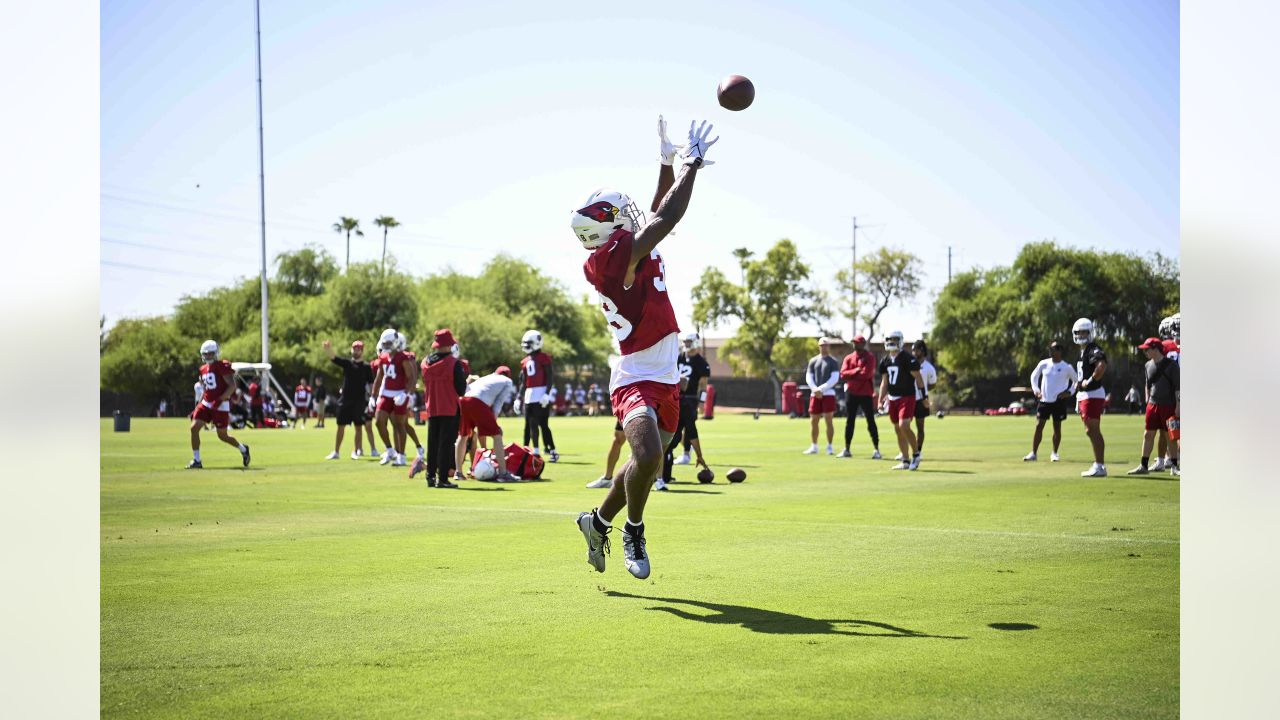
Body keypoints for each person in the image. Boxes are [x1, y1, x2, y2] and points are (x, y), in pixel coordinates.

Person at [573, 115, 718, 580]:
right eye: (622, 216)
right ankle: (633, 529)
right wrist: (692, 166)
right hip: (636, 376)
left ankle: (595, 522)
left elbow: (657, 212)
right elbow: (668, 215)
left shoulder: (623, 249)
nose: (633, 218)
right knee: (652, 458)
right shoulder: (614, 258)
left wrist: (666, 161)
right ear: (610, 228)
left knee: (645, 461)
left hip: (665, 375)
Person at [414, 329, 466, 487]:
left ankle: (430, 477)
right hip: (449, 407)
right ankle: (442, 479)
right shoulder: (453, 363)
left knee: (433, 443)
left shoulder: (425, 363)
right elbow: (461, 389)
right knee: (446, 444)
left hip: (432, 408)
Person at [187, 340, 250, 469]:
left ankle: (243, 449)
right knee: (194, 428)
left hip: (221, 405)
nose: (209, 356)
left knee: (223, 436)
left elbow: (232, 386)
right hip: (206, 403)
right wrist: (197, 407)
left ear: (216, 353)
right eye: (206, 354)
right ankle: (197, 460)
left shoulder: (222, 366)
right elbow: (206, 390)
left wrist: (220, 400)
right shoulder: (203, 369)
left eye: (211, 354)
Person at [453, 366, 520, 483]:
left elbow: (468, 389)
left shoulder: (487, 377)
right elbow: (498, 404)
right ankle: (503, 473)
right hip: (477, 402)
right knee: (497, 435)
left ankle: (458, 472)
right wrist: (494, 424)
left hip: (463, 399)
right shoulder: (507, 381)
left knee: (462, 436)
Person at [1127, 338, 1181, 476]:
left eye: (1147, 349)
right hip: (1153, 405)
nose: (1145, 352)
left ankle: (1174, 466)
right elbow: (1148, 383)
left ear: (1155, 349)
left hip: (1169, 405)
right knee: (1148, 434)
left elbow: (1178, 388)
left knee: (1171, 436)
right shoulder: (1147, 365)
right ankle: (1143, 465)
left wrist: (1178, 406)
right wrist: (1147, 399)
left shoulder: (1172, 366)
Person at [664, 331, 711, 487]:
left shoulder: (701, 363)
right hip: (675, 400)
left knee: (676, 436)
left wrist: (702, 402)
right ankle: (662, 475)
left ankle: (664, 475)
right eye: (686, 341)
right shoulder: (678, 357)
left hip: (689, 400)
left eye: (690, 341)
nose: (687, 344)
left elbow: (703, 386)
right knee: (675, 436)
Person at [876, 330, 926, 470]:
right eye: (889, 339)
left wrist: (924, 397)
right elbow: (884, 382)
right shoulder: (885, 361)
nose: (892, 342)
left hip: (907, 396)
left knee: (904, 425)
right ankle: (905, 460)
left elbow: (918, 378)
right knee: (898, 429)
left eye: (895, 339)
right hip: (892, 398)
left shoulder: (907, 359)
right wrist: (880, 400)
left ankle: (916, 454)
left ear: (901, 341)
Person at [370, 327, 416, 466]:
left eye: (389, 344)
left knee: (399, 425)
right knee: (379, 421)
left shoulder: (403, 358)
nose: (387, 347)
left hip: (400, 393)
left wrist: (406, 393)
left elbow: (412, 378)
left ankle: (401, 455)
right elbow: (379, 378)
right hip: (386, 393)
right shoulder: (383, 358)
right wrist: (373, 396)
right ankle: (390, 449)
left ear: (396, 342)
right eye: (385, 344)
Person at [1024, 341, 1077, 462]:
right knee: (1039, 426)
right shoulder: (1044, 364)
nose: (1051, 351)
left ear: (1059, 351)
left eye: (1053, 349)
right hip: (1044, 400)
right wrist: (1036, 390)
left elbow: (1076, 381)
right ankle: (1033, 453)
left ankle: (1054, 453)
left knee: (1057, 428)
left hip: (1059, 402)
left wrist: (1069, 392)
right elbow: (1034, 376)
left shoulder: (1066, 367)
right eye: (1050, 349)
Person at [324, 340, 375, 460]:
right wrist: (328, 348)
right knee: (340, 425)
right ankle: (336, 452)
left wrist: (373, 397)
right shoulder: (347, 363)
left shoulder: (367, 367)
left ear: (362, 351)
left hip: (359, 400)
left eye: (358, 349)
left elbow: (371, 384)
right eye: (354, 349)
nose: (355, 351)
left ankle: (356, 451)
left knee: (358, 426)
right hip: (345, 400)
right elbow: (334, 358)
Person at [1072, 317, 1109, 477]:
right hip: (1085, 395)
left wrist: (1090, 380)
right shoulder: (1084, 350)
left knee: (1092, 430)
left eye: (1084, 332)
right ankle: (1098, 464)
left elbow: (1101, 366)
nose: (1081, 335)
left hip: (1092, 394)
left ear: (1090, 332)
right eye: (1078, 332)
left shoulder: (1093, 348)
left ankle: (1099, 465)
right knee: (1090, 430)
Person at [517, 330, 559, 462]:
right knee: (530, 425)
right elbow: (524, 383)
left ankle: (552, 451)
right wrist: (518, 398)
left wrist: (547, 393)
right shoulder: (524, 361)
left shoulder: (544, 358)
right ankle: (532, 451)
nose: (526, 346)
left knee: (543, 425)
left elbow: (550, 377)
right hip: (529, 395)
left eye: (528, 343)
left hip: (541, 395)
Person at [837, 335, 881, 459]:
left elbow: (866, 374)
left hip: (866, 393)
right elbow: (843, 374)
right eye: (854, 343)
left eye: (857, 343)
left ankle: (876, 449)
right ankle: (847, 448)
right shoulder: (849, 358)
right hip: (852, 393)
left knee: (870, 421)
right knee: (849, 421)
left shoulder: (870, 357)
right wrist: (855, 371)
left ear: (863, 343)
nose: (855, 345)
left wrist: (852, 374)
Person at [803, 337, 841, 455]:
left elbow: (834, 378)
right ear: (819, 346)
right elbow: (809, 377)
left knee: (828, 420)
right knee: (814, 420)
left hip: (828, 394)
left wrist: (821, 389)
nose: (823, 347)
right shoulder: (813, 361)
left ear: (828, 346)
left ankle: (829, 446)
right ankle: (814, 446)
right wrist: (814, 389)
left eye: (826, 345)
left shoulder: (833, 361)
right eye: (821, 345)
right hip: (815, 394)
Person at [911, 340, 939, 458]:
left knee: (920, 427)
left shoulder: (929, 368)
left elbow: (932, 385)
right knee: (904, 426)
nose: (913, 352)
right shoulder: (910, 364)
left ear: (922, 351)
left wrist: (924, 391)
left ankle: (918, 451)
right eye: (913, 350)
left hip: (922, 400)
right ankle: (904, 452)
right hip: (908, 398)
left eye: (915, 350)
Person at [588, 421, 628, 489]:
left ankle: (651, 480)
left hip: (650, 411)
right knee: (618, 438)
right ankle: (607, 479)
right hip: (628, 410)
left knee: (645, 439)